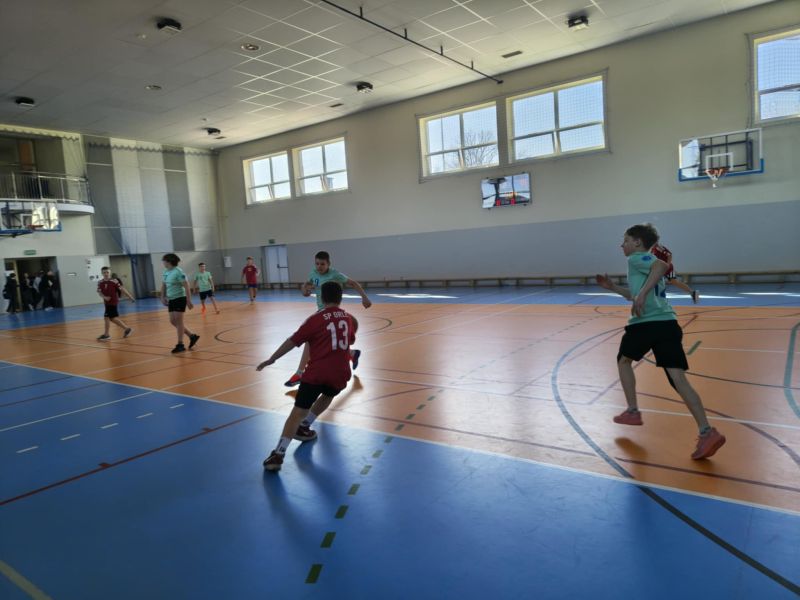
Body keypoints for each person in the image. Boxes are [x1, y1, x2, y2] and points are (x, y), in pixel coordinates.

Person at [596, 223, 725, 460]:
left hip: (646, 324)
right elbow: (636, 292)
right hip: (668, 324)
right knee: (679, 380)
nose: (622, 245)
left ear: (637, 242)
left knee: (623, 361)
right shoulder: (646, 266)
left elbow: (661, 266)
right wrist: (613, 287)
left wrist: (643, 294)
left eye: (625, 240)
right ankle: (707, 431)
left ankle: (632, 411)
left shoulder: (637, 258)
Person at [257, 281, 358, 472]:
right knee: (328, 394)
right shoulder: (348, 318)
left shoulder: (315, 319)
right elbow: (351, 339)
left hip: (317, 373)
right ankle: (306, 426)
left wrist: (272, 358)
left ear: (322, 298)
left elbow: (292, 341)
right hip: (341, 373)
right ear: (340, 298)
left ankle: (278, 454)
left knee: (297, 412)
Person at [285, 250, 371, 387]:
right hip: (321, 311)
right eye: (317, 264)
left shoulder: (335, 274)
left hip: (330, 311)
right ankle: (352, 354)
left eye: (322, 264)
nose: (319, 266)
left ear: (328, 264)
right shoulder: (313, 273)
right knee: (327, 341)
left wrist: (364, 297)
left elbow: (353, 283)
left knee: (310, 340)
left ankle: (300, 373)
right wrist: (304, 290)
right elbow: (307, 284)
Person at [161, 253, 200, 354]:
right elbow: (164, 285)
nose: (163, 262)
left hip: (180, 298)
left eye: (164, 261)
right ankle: (192, 336)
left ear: (168, 261)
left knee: (179, 322)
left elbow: (186, 286)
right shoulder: (166, 272)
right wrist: (162, 297)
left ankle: (180, 344)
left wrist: (189, 300)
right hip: (171, 299)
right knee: (173, 321)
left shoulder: (179, 272)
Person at [96, 266, 135, 340]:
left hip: (113, 302)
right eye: (104, 272)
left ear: (110, 273)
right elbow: (99, 292)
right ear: (102, 273)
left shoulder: (114, 281)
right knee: (110, 318)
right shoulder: (100, 282)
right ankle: (126, 329)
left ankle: (107, 334)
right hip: (106, 303)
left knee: (108, 318)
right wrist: (104, 297)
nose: (106, 274)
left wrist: (130, 297)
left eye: (107, 272)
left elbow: (122, 289)